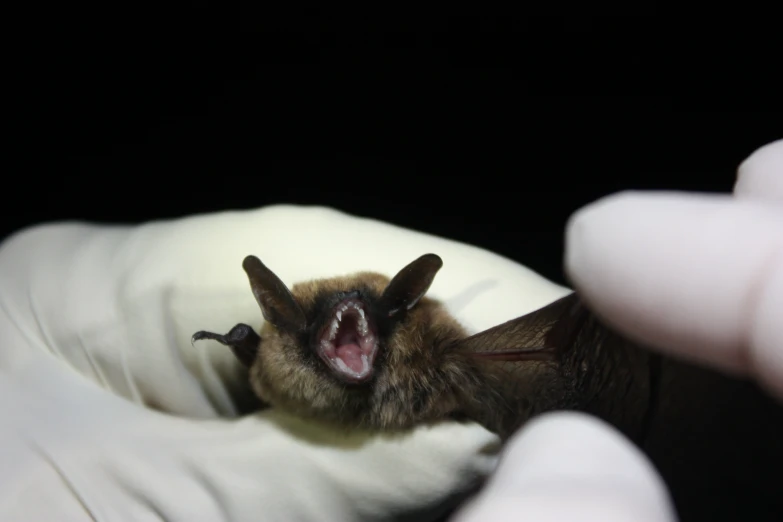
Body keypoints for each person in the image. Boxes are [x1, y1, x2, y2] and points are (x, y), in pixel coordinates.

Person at [0, 139, 779, 521]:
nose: (350, 335)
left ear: (398, 311)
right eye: (328, 330)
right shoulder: (272, 346)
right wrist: (247, 349)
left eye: (368, 321)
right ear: (281, 325)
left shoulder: (441, 355)